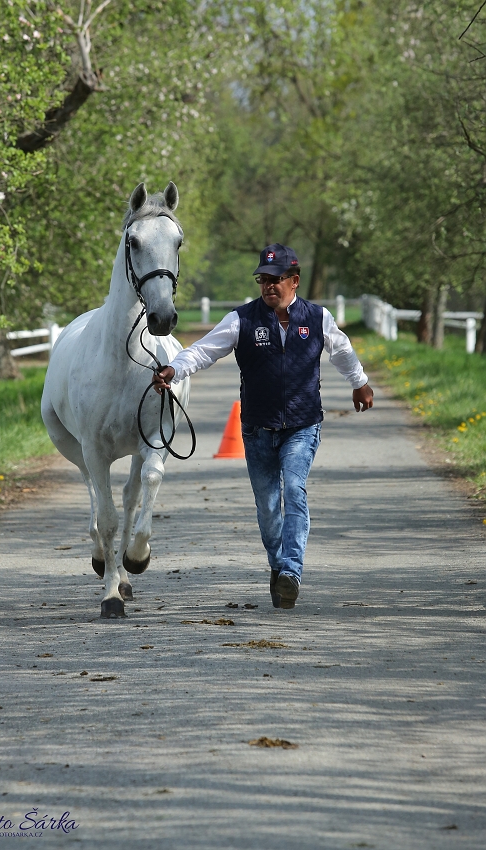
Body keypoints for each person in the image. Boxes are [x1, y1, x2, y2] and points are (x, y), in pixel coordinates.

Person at [153, 243, 373, 610]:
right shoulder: (242, 319)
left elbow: (342, 349)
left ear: (294, 280)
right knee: (269, 507)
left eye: (276, 279)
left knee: (295, 491)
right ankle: (278, 567)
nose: (268, 285)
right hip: (257, 429)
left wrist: (359, 381)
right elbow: (204, 350)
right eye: (262, 279)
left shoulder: (317, 317)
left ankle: (291, 571)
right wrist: (175, 370)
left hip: (303, 425)